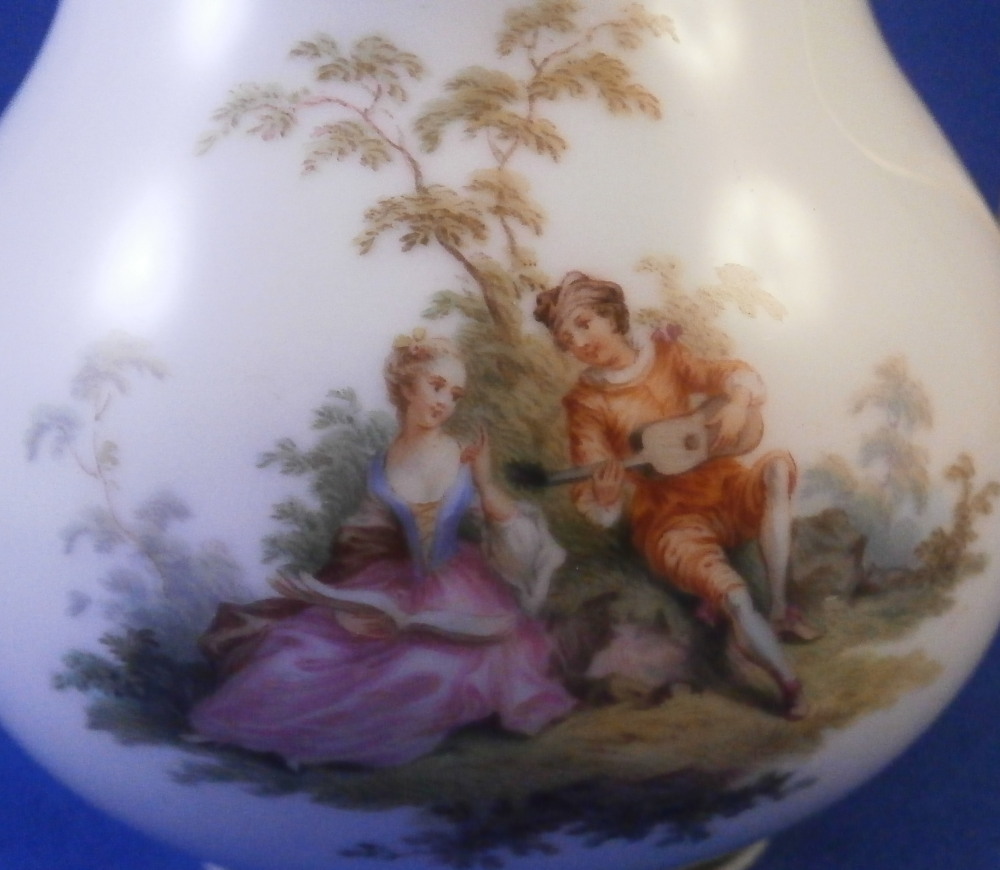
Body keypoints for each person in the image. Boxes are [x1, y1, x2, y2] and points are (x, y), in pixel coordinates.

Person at [189, 331, 575, 767]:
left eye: (454, 394)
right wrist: (345, 604)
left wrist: (485, 482)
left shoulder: (461, 456)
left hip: (462, 593)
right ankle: (269, 735)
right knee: (291, 659)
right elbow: (360, 545)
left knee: (422, 673)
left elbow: (512, 535)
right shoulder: (381, 464)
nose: (445, 402)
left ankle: (325, 744)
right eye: (436, 386)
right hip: (394, 588)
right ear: (407, 387)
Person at [534, 271, 816, 719]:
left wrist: (738, 401)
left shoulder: (665, 356)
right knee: (735, 598)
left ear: (611, 316)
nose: (581, 343)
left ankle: (781, 608)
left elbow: (721, 374)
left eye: (585, 324)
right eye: (568, 339)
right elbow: (592, 481)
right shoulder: (586, 403)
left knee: (778, 468)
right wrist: (605, 496)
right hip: (669, 518)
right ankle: (787, 683)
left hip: (722, 484)